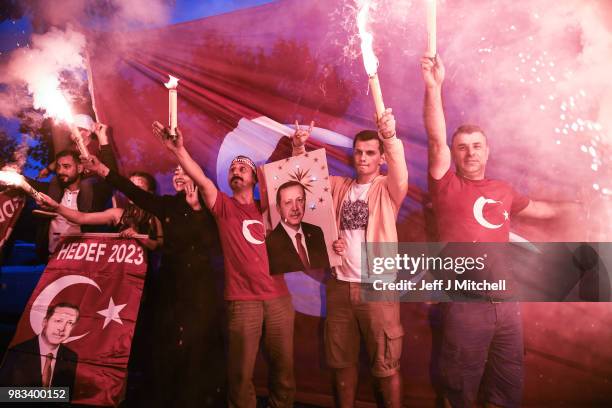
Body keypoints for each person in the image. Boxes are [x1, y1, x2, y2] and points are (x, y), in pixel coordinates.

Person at [421, 54, 581, 408]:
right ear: (454, 154)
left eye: (477, 146)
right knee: (458, 390)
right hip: (467, 307)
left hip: (508, 305)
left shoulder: (503, 190)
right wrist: (434, 87)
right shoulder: (445, 186)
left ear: (487, 151)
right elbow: (435, 140)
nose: (470, 153)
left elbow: (541, 209)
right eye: (462, 148)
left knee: (507, 389)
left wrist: (584, 209)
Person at [151, 121, 295, 408]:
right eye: (232, 169)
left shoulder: (270, 208)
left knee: (285, 372)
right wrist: (179, 150)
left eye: (242, 168)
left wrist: (298, 146)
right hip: (242, 301)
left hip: (278, 298)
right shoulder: (223, 206)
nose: (235, 171)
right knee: (240, 376)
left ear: (255, 178)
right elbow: (200, 179)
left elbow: (299, 188)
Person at [81, 157, 224, 407]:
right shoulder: (166, 205)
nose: (178, 175)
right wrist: (103, 170)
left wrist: (198, 210)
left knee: (197, 346)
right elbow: (133, 191)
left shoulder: (210, 205)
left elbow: (212, 243)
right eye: (175, 172)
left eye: (184, 171)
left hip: (200, 288)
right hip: (170, 284)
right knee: (164, 345)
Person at [291, 111, 408, 407]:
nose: (363, 158)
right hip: (340, 285)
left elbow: (399, 169)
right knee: (341, 363)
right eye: (358, 152)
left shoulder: (388, 188)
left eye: (370, 153)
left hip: (377, 287)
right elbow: (306, 185)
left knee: (386, 365)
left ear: (380, 158)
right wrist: (298, 148)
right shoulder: (341, 186)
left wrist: (390, 138)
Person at [26, 121, 118, 261]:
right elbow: (26, 183)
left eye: (66, 166)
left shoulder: (95, 193)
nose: (61, 171)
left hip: (82, 261)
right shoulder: (52, 191)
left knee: (87, 185)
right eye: (59, 167)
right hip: (53, 259)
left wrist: (103, 139)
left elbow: (112, 177)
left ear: (80, 168)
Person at [36, 171, 163, 251]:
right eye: (130, 187)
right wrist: (56, 206)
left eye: (138, 188)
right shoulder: (118, 213)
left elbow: (159, 246)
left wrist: (138, 237)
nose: (132, 192)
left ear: (150, 192)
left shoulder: (158, 214)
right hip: (121, 275)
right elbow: (82, 218)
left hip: (146, 278)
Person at [0, 303, 79, 395]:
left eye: (70, 323)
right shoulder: (16, 351)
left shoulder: (71, 357)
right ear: (45, 322)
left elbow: (66, 397)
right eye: (58, 321)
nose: (62, 328)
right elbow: (4, 394)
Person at [266, 180, 330, 274]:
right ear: (278, 208)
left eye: (299, 200)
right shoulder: (270, 243)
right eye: (288, 202)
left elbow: (325, 271)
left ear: (305, 202)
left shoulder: (316, 232)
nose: (295, 208)